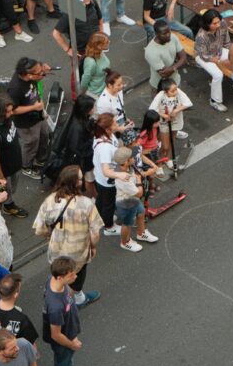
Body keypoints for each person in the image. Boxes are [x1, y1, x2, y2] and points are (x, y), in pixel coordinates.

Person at [35, 165, 102, 307]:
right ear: (76, 183)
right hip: (78, 253)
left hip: (56, 251)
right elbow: (95, 233)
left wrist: (51, 235)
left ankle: (60, 295)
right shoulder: (86, 204)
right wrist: (93, 247)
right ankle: (69, 304)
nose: (82, 180)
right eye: (80, 178)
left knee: (60, 275)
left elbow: (39, 229)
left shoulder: (49, 200)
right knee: (75, 280)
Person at [44, 257, 87, 366]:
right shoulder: (55, 306)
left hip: (68, 331)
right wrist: (72, 344)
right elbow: (56, 335)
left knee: (64, 361)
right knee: (63, 360)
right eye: (71, 275)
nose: (75, 276)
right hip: (64, 339)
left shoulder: (52, 279)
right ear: (60, 277)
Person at [8, 57, 50, 179]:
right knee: (31, 145)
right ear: (28, 75)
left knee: (44, 135)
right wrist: (33, 107)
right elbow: (13, 110)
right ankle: (26, 166)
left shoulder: (30, 73)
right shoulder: (15, 89)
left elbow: (38, 74)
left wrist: (44, 69)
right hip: (26, 123)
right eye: (39, 72)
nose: (42, 72)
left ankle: (41, 159)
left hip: (38, 115)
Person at [112, 146, 159, 252]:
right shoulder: (123, 179)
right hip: (126, 203)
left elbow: (138, 173)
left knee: (141, 213)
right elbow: (139, 193)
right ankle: (125, 242)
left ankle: (141, 234)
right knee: (127, 224)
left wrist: (146, 173)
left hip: (132, 198)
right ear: (125, 162)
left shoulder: (128, 166)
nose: (134, 158)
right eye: (131, 157)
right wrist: (138, 181)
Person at [51, 0, 102, 75]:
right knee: (80, 73)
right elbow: (56, 33)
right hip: (81, 51)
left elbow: (100, 20)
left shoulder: (93, 3)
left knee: (96, 68)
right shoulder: (70, 14)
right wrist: (67, 50)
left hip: (96, 46)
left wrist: (101, 36)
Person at [194, 10, 231, 113]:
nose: (218, 25)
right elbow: (203, 54)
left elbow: (227, 41)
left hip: (218, 51)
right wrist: (214, 60)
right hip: (203, 56)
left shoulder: (223, 24)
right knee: (218, 75)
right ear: (207, 24)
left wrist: (231, 53)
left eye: (218, 21)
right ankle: (215, 101)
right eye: (214, 23)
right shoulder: (201, 36)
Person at [91, 112, 121, 234]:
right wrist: (121, 175)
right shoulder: (104, 147)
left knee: (101, 199)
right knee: (109, 204)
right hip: (106, 180)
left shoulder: (103, 135)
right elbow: (106, 170)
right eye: (115, 123)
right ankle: (109, 227)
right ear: (108, 129)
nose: (117, 124)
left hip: (99, 177)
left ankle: (99, 217)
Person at [144, 19, 188, 90]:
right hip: (160, 87)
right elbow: (164, 75)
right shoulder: (151, 51)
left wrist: (172, 68)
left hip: (176, 82)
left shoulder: (173, 37)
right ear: (156, 34)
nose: (168, 35)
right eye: (164, 33)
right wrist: (178, 62)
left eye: (169, 31)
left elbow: (184, 58)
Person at [77, 33, 111, 98]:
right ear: (99, 46)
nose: (109, 42)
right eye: (106, 42)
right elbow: (84, 81)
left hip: (104, 89)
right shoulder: (91, 62)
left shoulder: (101, 52)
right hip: (96, 94)